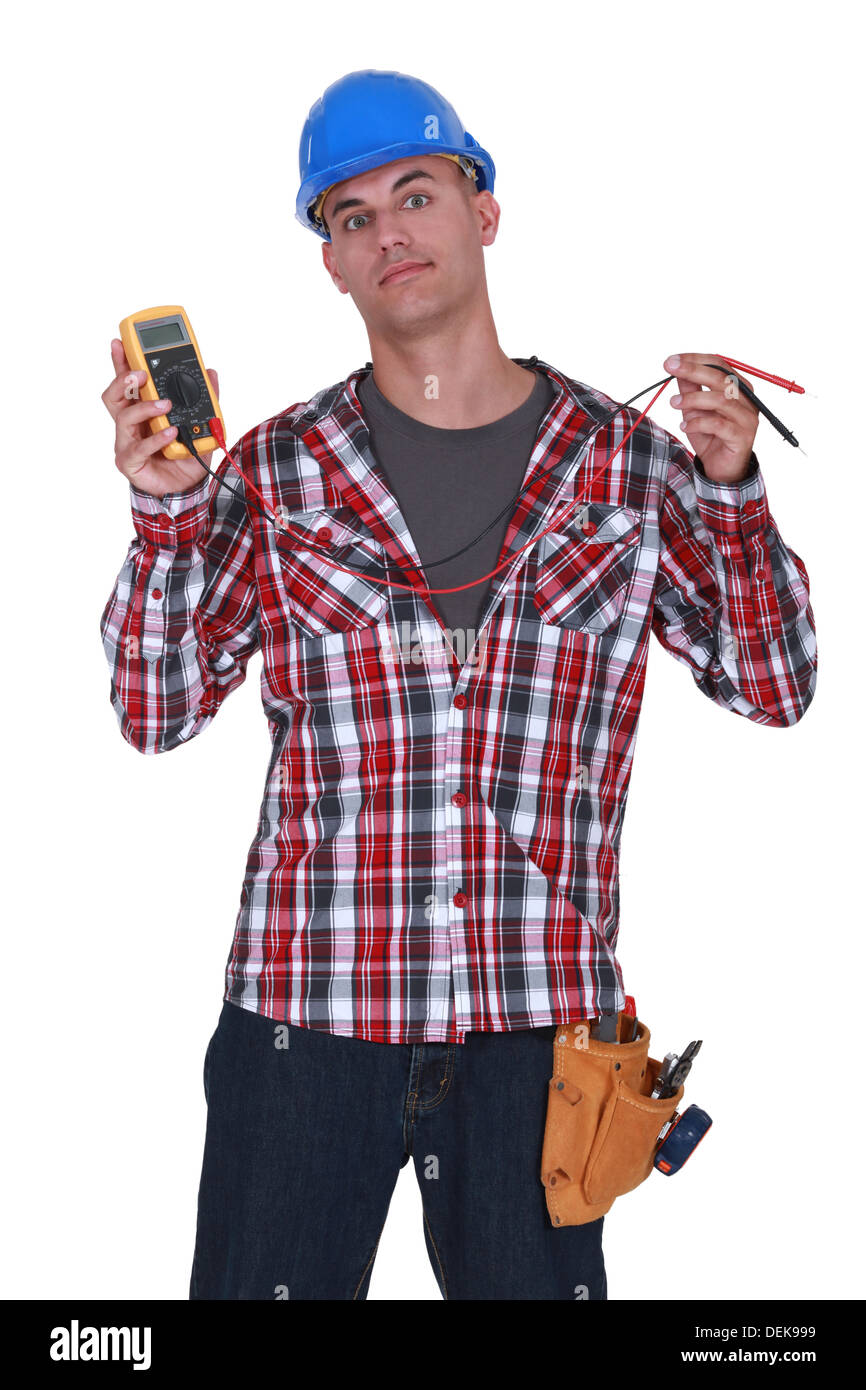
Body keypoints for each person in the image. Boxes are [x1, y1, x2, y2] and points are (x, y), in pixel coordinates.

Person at [99, 69, 817, 1301]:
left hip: (535, 1036)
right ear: (329, 260)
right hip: (303, 1017)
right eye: (350, 216)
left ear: (482, 212)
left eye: (415, 194)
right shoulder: (273, 469)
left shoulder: (626, 465)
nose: (389, 231)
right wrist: (166, 513)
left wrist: (729, 491)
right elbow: (153, 714)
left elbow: (770, 685)